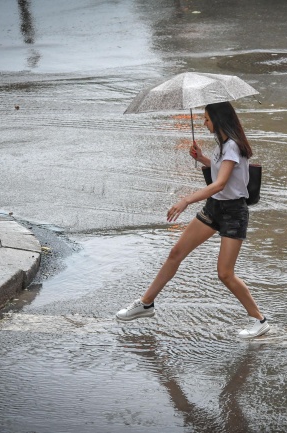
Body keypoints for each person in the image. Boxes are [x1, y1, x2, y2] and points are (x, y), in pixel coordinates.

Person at [116, 101, 270, 339]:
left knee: (225, 273)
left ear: (217, 120)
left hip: (233, 213)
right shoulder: (223, 146)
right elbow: (222, 172)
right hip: (215, 207)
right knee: (176, 253)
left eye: (206, 118)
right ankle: (146, 304)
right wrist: (203, 159)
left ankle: (259, 320)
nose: (204, 122)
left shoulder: (233, 146)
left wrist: (186, 200)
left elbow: (219, 183)